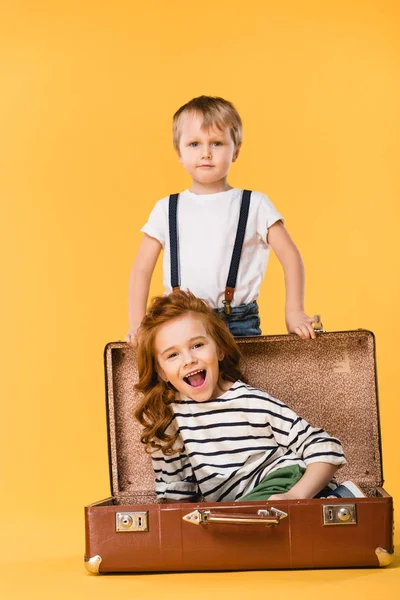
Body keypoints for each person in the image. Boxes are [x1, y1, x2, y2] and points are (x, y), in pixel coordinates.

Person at [135, 290, 365, 503]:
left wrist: (295, 496)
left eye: (197, 345)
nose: (188, 360)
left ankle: (323, 500)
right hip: (240, 506)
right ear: (161, 372)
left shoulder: (249, 401)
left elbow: (324, 445)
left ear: (220, 350)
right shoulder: (168, 421)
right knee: (223, 525)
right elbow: (176, 493)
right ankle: (336, 499)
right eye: (173, 354)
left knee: (241, 521)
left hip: (282, 482)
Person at [127, 95, 316, 344]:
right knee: (182, 381)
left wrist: (293, 311)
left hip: (237, 322)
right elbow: (141, 270)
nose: (206, 153)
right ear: (179, 153)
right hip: (177, 322)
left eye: (216, 143)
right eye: (194, 144)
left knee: (239, 384)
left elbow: (291, 258)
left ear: (235, 150)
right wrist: (138, 325)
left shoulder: (255, 205)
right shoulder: (166, 209)